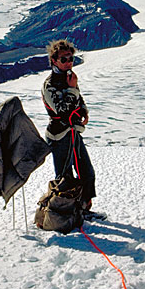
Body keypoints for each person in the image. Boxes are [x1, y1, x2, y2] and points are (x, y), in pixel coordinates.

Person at [41, 39, 96, 210]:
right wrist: (72, 89)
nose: (68, 62)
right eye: (63, 59)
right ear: (54, 61)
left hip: (72, 132)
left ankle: (84, 208)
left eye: (70, 59)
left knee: (86, 172)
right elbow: (62, 110)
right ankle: (64, 212)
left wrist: (84, 110)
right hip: (59, 136)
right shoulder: (50, 84)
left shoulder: (69, 78)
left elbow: (78, 98)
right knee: (64, 177)